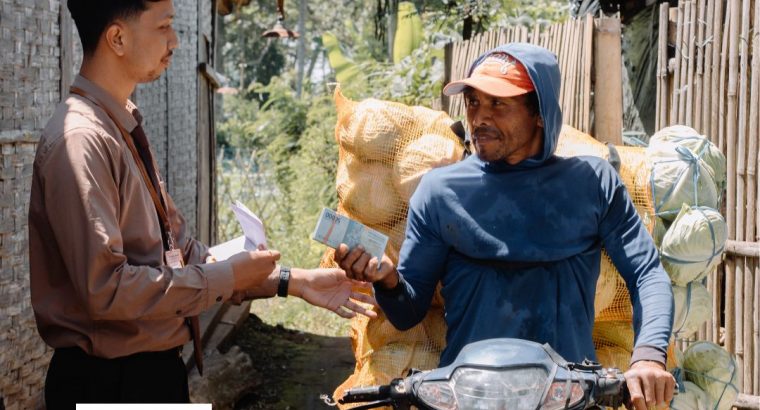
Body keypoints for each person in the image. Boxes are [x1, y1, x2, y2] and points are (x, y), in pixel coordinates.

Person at [28, 0, 375, 406]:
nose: (174, 41)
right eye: (163, 27)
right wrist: (227, 276)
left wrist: (291, 281)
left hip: (151, 373)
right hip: (110, 382)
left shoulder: (120, 125)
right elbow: (107, 289)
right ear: (117, 38)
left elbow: (183, 254)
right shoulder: (82, 140)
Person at [335, 43, 676, 410]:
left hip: (569, 399)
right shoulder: (440, 191)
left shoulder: (591, 184)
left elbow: (646, 274)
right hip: (468, 400)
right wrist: (387, 280)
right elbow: (407, 313)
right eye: (474, 102)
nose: (480, 117)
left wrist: (649, 356)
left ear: (540, 113)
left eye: (498, 104)